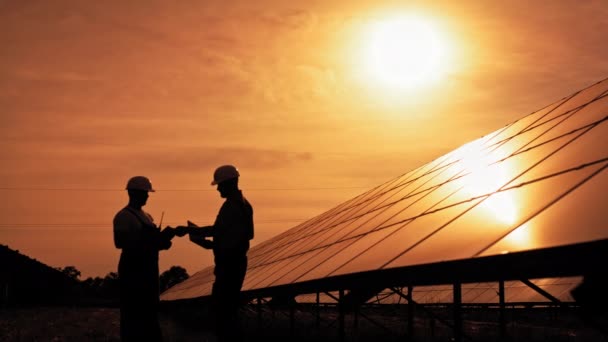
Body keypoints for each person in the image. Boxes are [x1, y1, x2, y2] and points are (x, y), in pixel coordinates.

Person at [187, 165, 254, 341]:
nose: (217, 189)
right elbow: (242, 235)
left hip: (229, 267)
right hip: (234, 263)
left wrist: (187, 230)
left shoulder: (231, 206)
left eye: (220, 185)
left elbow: (217, 230)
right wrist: (215, 245)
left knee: (223, 313)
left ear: (230, 183)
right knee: (227, 312)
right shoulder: (244, 204)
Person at [113, 176, 182, 341]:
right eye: (144, 193)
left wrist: (164, 240)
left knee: (149, 314)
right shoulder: (123, 216)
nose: (147, 196)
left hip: (149, 271)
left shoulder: (147, 216)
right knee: (133, 315)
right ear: (132, 193)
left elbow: (152, 243)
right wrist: (156, 240)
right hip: (133, 271)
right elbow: (120, 242)